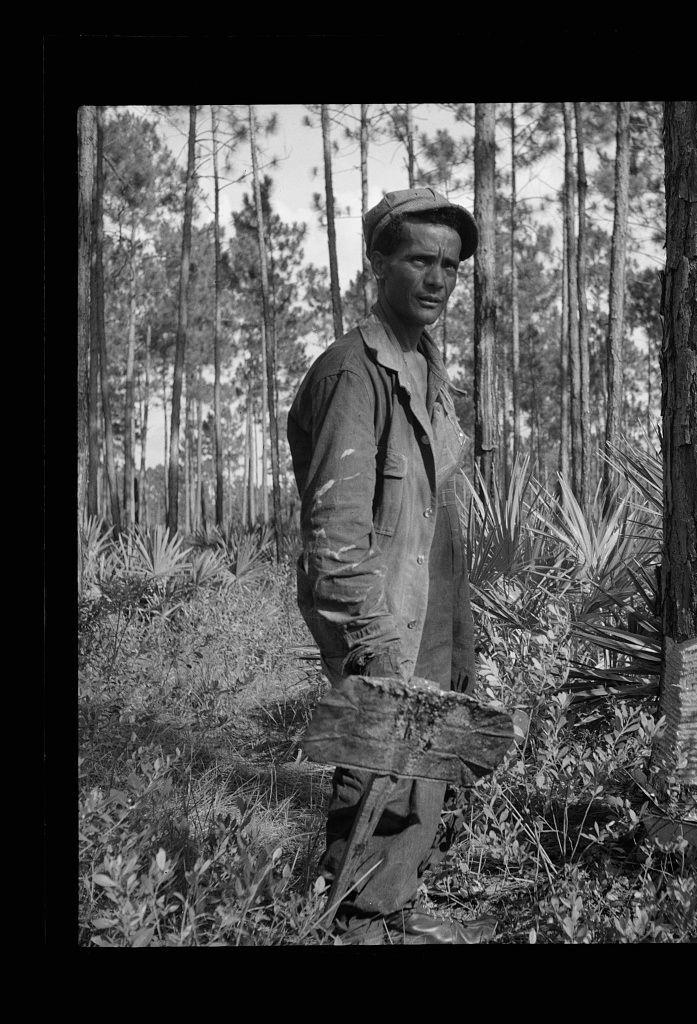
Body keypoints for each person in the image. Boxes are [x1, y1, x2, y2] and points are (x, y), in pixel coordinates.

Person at [288, 187, 494, 945]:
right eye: (418, 260)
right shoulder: (354, 371)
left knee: (427, 762)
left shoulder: (428, 369)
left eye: (449, 266)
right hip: (383, 608)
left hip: (435, 599)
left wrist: (463, 630)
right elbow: (335, 531)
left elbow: (438, 514)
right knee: (377, 763)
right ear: (378, 263)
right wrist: (371, 643)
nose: (437, 279)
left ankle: (394, 903)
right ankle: (354, 921)